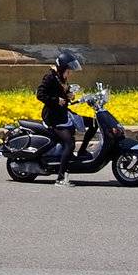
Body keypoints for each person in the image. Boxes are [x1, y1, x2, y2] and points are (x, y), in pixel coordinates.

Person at [36, 50, 81, 185]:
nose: (70, 73)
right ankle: (60, 178)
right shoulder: (50, 77)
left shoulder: (61, 77)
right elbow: (40, 94)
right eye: (68, 70)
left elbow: (62, 92)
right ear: (62, 68)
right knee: (70, 143)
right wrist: (56, 100)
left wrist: (68, 95)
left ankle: (76, 158)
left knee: (90, 123)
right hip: (53, 118)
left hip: (62, 114)